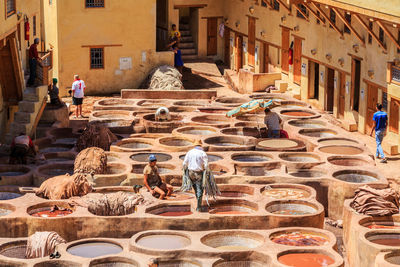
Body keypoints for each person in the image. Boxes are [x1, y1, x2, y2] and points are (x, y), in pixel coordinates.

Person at [182, 140, 209, 211]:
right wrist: (207, 172)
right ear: (200, 145)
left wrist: (185, 173)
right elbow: (206, 165)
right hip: (199, 173)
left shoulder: (189, 152)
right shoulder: (203, 153)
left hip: (191, 173)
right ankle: (199, 207)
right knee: (200, 189)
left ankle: (198, 202)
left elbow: (184, 163)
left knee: (195, 188)